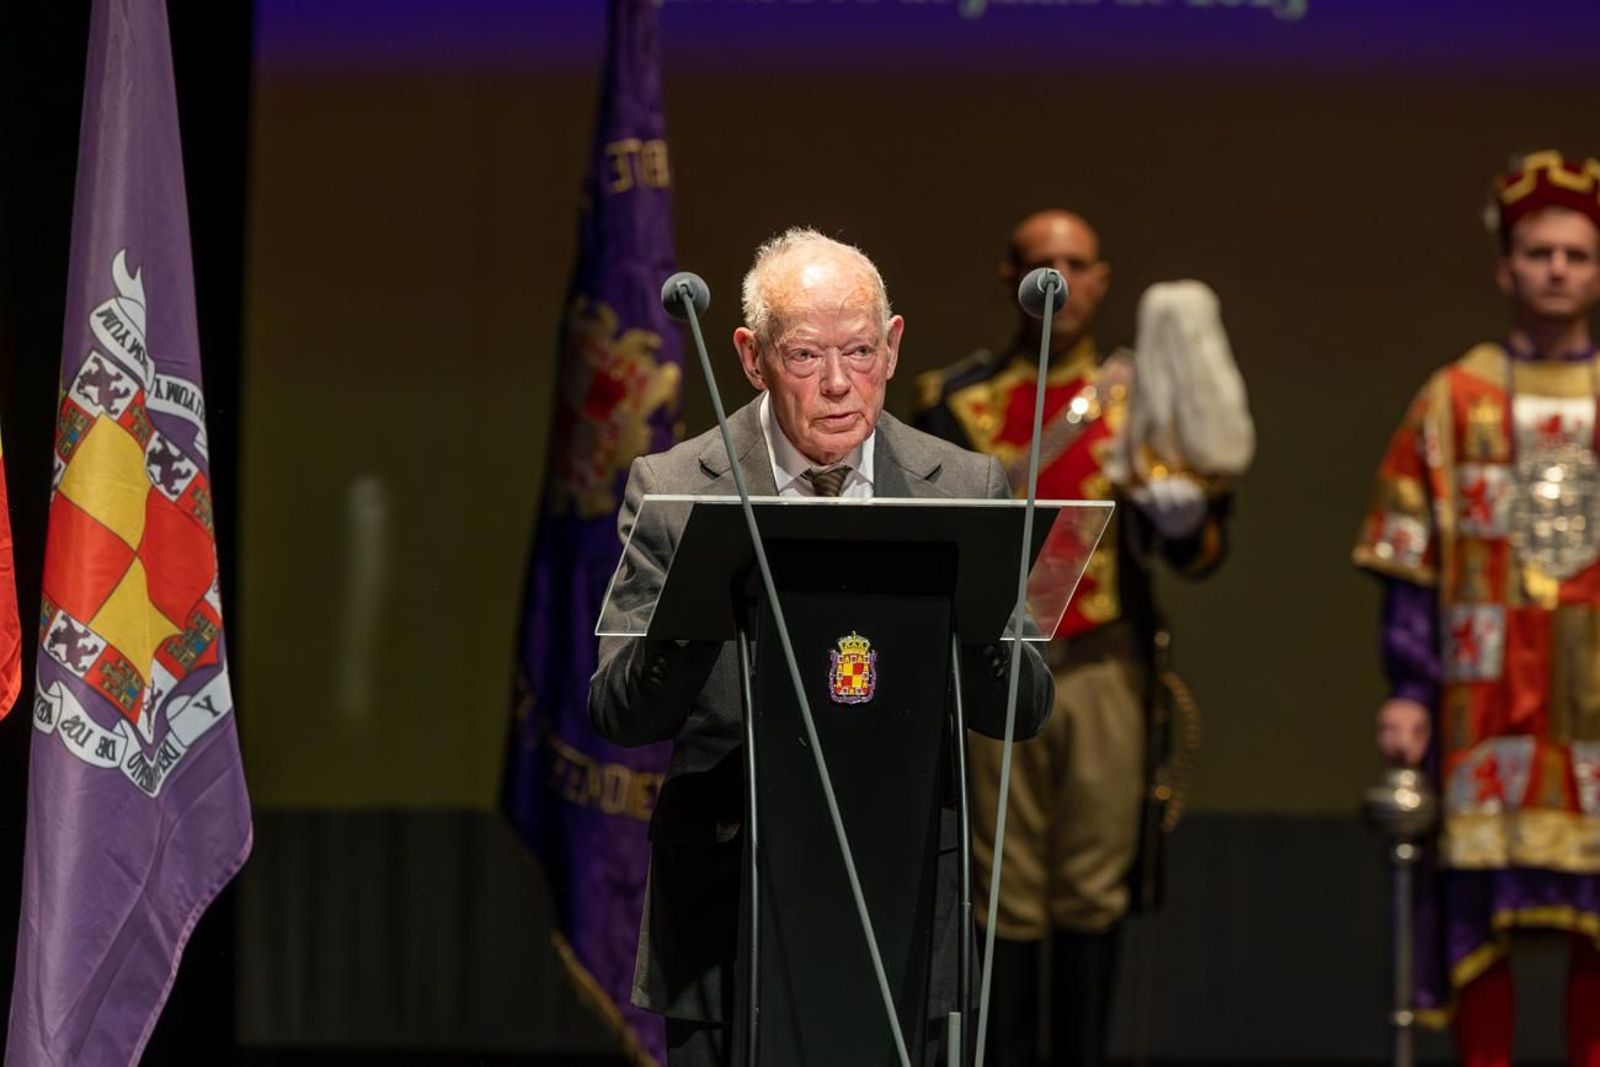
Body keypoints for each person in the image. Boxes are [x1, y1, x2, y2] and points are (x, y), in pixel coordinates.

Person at [589, 227, 1057, 1067]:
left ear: (895, 344)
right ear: (751, 355)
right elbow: (620, 711)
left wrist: (978, 614)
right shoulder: (676, 486)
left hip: (904, 905)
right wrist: (697, 605)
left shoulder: (963, 485)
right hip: (727, 915)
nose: (839, 383)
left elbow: (1019, 709)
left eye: (861, 351)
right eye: (805, 355)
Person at [913, 210, 1243, 1066]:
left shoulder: (1149, 396)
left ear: (1102, 278)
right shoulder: (952, 400)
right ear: (1008, 278)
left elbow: (1202, 553)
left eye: (1075, 263)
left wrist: (1186, 521)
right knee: (1001, 892)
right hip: (996, 666)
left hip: (1104, 666)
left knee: (1095, 890)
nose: (1057, 279)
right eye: (1038, 264)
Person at [1356, 151, 1600, 1067]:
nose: (1558, 271)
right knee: (1475, 921)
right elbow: (1408, 557)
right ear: (1507, 266)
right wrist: (1409, 687)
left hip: (1598, 711)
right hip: (1484, 702)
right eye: (1540, 253)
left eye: (1577, 255)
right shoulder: (1452, 397)